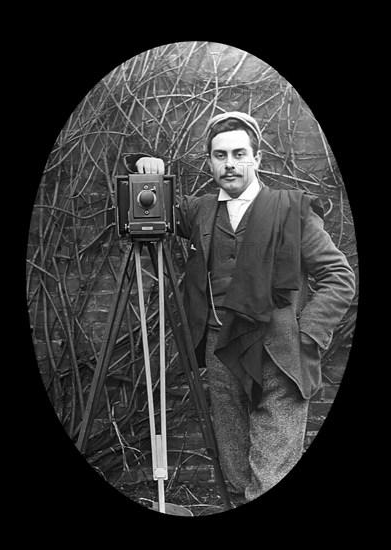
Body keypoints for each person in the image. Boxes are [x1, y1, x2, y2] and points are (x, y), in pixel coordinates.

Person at [133, 111, 355, 506]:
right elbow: (147, 205)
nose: (230, 164)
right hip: (222, 354)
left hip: (281, 355)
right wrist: (148, 168)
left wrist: (307, 333)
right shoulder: (198, 210)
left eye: (239, 154)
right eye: (220, 156)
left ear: (257, 159)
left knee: (271, 476)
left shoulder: (293, 210)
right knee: (235, 470)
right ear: (210, 162)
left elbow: (340, 276)